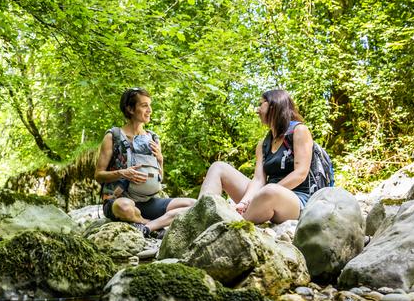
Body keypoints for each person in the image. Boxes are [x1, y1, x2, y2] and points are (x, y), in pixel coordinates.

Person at [199, 89, 314, 224]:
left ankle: (233, 226)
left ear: (273, 105)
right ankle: (201, 214)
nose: (257, 110)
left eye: (261, 104)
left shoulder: (299, 131)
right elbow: (259, 180)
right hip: (264, 195)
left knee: (269, 191)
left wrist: (264, 192)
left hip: (295, 199)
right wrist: (244, 201)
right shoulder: (263, 144)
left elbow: (300, 174)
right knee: (218, 167)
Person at [95, 88, 195, 237]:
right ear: (130, 109)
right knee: (124, 207)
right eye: (144, 106)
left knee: (194, 204)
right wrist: (122, 173)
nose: (150, 110)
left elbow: (160, 178)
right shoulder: (113, 136)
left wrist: (160, 160)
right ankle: (151, 225)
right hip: (119, 201)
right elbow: (98, 175)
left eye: (150, 105)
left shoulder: (153, 138)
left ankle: (147, 226)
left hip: (149, 202)